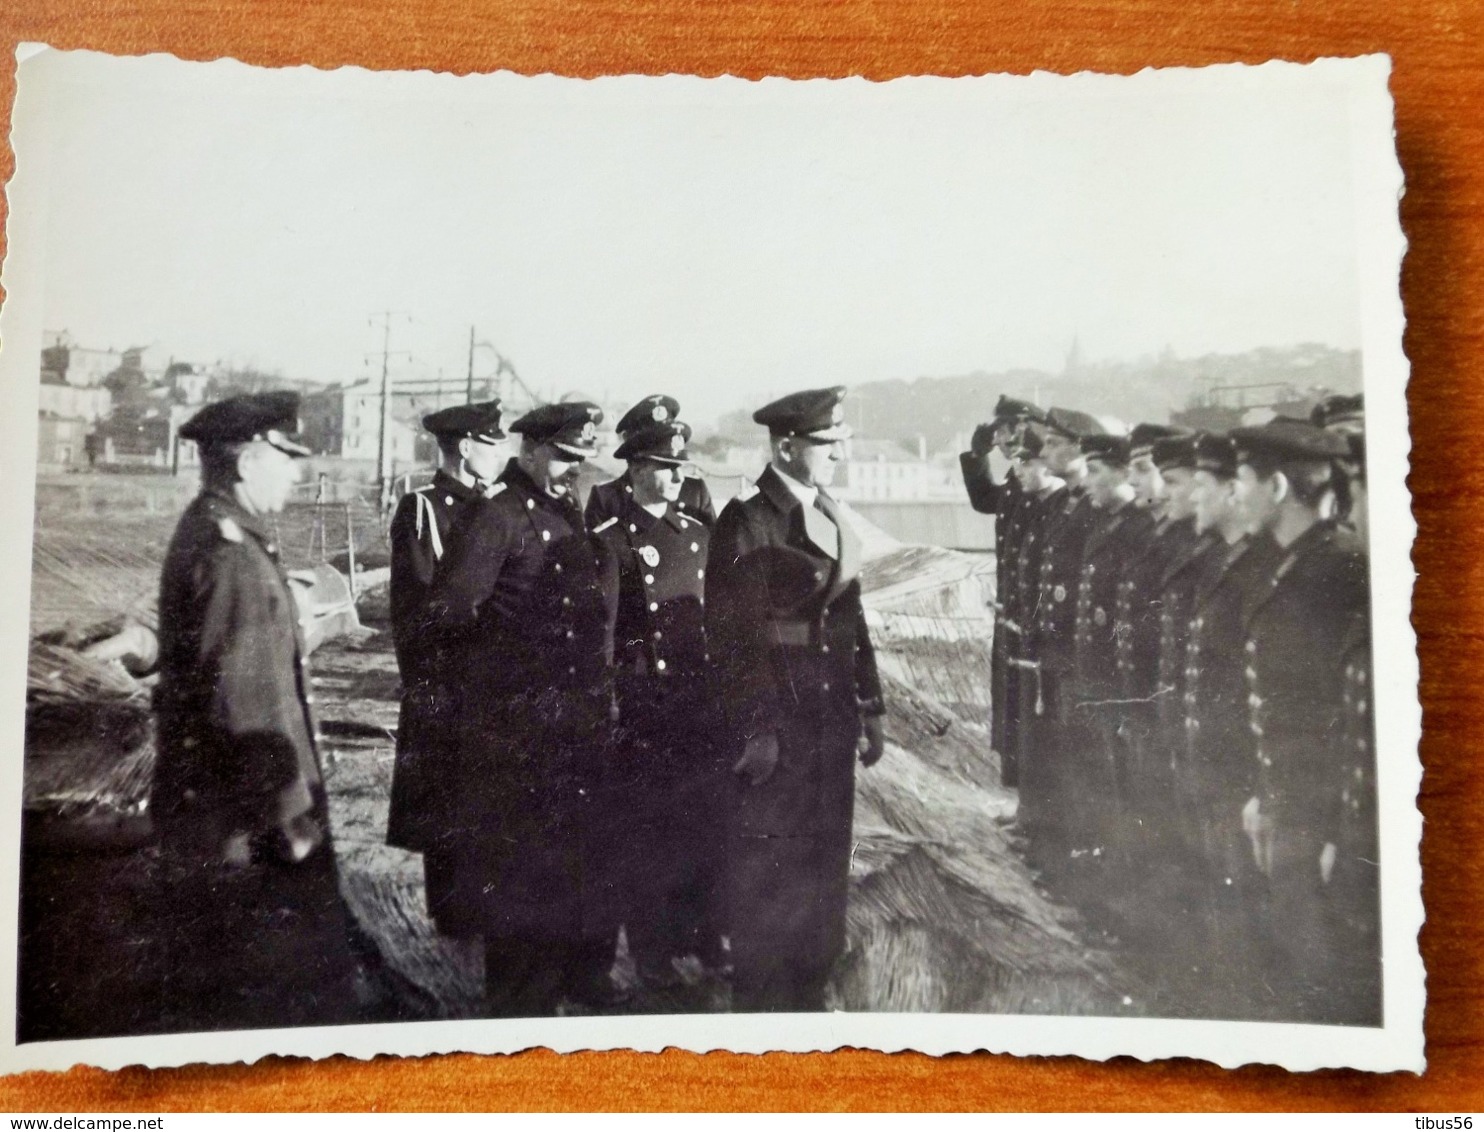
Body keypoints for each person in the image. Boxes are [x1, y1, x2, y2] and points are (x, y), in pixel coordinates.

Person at [151, 391, 362, 1030]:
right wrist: (290, 821)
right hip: (248, 825)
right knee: (269, 1005)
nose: (298, 473)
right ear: (246, 464)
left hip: (232, 818)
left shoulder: (228, 537)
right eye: (286, 458)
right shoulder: (229, 553)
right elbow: (243, 706)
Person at [423, 400, 621, 1016]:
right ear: (528, 451)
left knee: (565, 879)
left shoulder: (570, 515)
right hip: (517, 737)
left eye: (581, 460)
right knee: (518, 890)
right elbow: (449, 615)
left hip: (573, 733)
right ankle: (517, 1022)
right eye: (563, 457)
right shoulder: (499, 515)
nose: (572, 470)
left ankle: (553, 1002)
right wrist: (499, 692)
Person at [705, 385, 886, 1012]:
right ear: (787, 445)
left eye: (843, 443)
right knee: (767, 875)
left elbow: (849, 616)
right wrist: (756, 728)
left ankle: (809, 997)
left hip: (829, 723)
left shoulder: (832, 512)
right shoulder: (748, 519)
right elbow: (729, 639)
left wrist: (871, 704)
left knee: (822, 865)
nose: (841, 455)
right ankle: (760, 1013)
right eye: (829, 445)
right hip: (778, 730)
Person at [1230, 417, 1367, 1023]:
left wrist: (1336, 832)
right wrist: (1266, 798)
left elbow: (1354, 711)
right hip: (1288, 806)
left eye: (1242, 480)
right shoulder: (1294, 562)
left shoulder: (1337, 568)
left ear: (1278, 488)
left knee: (1326, 993)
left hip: (1321, 823)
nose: (1237, 495)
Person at [592, 414, 725, 986]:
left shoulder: (698, 533)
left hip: (694, 705)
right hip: (642, 705)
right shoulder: (611, 542)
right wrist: (610, 700)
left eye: (679, 468)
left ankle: (697, 939)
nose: (675, 478)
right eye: (664, 468)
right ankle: (650, 953)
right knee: (647, 835)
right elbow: (600, 636)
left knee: (698, 827)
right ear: (638, 469)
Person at [1177, 431, 1282, 1016]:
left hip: (1241, 767)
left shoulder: (1259, 570)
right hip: (1214, 761)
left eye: (1202, 486)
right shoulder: (1228, 561)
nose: (1193, 499)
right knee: (1224, 896)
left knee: (1246, 902)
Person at [386, 400, 507, 858]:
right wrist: (429, 686)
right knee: (446, 824)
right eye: (492, 445)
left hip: (492, 686)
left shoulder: (498, 509)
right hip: (450, 683)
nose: (500, 455)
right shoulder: (424, 509)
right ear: (466, 446)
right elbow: (416, 609)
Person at [1021, 406, 1105, 878]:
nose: (1046, 451)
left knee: (1079, 753)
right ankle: (1058, 847)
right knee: (1057, 745)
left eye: (1055, 444)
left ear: (1080, 448)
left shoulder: (1091, 506)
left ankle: (1077, 856)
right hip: (1056, 645)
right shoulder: (1061, 504)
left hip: (1077, 649)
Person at [1069, 432, 1152, 891]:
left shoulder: (1139, 528)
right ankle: (1112, 868)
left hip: (1121, 671)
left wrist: (1115, 635)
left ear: (1123, 474)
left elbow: (1132, 615)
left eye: (1097, 471)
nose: (1088, 482)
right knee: (1105, 774)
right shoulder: (1106, 522)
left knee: (1126, 781)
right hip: (1100, 668)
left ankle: (1126, 878)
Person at [960, 395, 1048, 784]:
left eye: (1012, 428)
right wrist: (976, 456)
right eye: (1001, 431)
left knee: (1030, 701)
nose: (1006, 439)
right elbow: (985, 500)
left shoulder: (1042, 475)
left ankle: (1032, 800)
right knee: (1010, 697)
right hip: (1011, 604)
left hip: (1033, 605)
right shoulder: (1018, 476)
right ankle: (1019, 793)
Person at [586, 394, 717, 529]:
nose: (679, 478)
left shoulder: (695, 492)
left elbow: (713, 544)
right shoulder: (606, 498)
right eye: (654, 438)